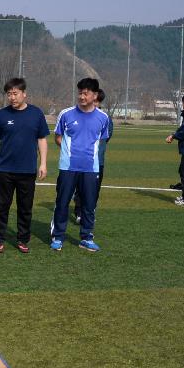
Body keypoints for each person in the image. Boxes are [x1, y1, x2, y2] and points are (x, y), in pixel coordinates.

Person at [0, 78, 48, 253]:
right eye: (9, 94)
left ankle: (22, 239)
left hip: (27, 170)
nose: (12, 97)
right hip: (6, 169)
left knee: (25, 207)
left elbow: (42, 140)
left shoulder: (36, 114)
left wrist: (42, 163)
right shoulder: (2, 115)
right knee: (1, 206)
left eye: (15, 93)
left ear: (24, 94)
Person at [50, 78, 111, 252]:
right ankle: (58, 236)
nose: (82, 96)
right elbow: (58, 137)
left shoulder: (103, 118)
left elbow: (101, 139)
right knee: (62, 202)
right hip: (68, 167)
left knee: (89, 204)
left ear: (95, 95)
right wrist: (70, 152)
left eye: (86, 93)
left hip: (91, 168)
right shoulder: (66, 114)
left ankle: (87, 237)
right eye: (80, 93)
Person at [73, 89, 112, 223]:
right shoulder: (80, 116)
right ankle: (79, 212)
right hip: (79, 160)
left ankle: (90, 211)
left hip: (97, 162)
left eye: (95, 101)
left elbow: (106, 138)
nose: (92, 103)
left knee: (94, 189)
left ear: (99, 102)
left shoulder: (105, 118)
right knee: (79, 189)